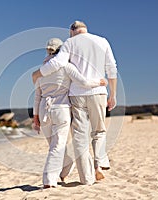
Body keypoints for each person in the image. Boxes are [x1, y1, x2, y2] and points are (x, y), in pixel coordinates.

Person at [32, 21, 118, 185]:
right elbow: (111, 68)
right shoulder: (102, 41)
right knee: (99, 131)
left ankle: (86, 178)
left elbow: (56, 65)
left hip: (74, 96)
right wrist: (112, 93)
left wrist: (37, 73)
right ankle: (99, 163)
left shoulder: (70, 43)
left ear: (71, 31)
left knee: (79, 137)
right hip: (96, 93)